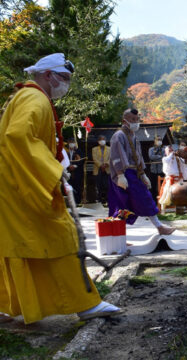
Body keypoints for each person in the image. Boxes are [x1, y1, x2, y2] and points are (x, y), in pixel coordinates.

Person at [0, 53, 122, 324]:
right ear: (48, 75)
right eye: (64, 78)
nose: (66, 85)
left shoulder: (28, 97)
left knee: (18, 244)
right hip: (25, 187)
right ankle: (85, 304)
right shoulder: (34, 98)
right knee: (63, 237)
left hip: (15, 187)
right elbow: (17, 136)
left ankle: (8, 305)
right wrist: (53, 171)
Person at [108, 108, 175, 235]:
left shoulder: (134, 136)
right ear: (124, 121)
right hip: (123, 174)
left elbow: (138, 156)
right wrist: (120, 175)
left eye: (137, 119)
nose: (136, 122)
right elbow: (116, 156)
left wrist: (143, 174)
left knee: (143, 198)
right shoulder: (118, 136)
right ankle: (118, 235)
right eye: (132, 120)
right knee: (121, 204)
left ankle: (159, 227)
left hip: (134, 173)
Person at [158, 145, 187, 212]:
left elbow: (185, 167)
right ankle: (162, 211)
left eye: (171, 150)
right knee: (166, 195)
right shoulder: (165, 159)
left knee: (182, 194)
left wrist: (186, 160)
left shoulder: (179, 159)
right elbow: (167, 160)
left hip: (179, 180)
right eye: (169, 150)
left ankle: (181, 210)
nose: (171, 151)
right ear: (165, 152)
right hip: (170, 180)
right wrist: (172, 154)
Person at [92, 134, 111, 204]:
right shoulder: (94, 149)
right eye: (100, 139)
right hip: (98, 169)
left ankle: (107, 200)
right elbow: (95, 159)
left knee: (107, 185)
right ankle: (99, 199)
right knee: (98, 185)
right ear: (98, 141)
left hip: (107, 169)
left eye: (103, 139)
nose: (102, 141)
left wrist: (106, 164)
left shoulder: (110, 149)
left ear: (105, 141)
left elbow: (111, 158)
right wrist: (101, 165)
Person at [67, 137, 85, 204]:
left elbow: (82, 160)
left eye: (73, 142)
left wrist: (75, 166)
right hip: (68, 172)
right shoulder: (66, 151)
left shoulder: (78, 151)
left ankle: (78, 201)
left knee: (77, 187)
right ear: (68, 143)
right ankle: (70, 202)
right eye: (70, 142)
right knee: (69, 187)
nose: (71, 144)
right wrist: (68, 166)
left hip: (77, 172)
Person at [148, 136, 165, 201]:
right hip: (153, 170)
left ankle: (161, 200)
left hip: (161, 170)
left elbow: (164, 157)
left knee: (162, 186)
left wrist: (156, 157)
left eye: (160, 139)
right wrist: (159, 157)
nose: (159, 141)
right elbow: (151, 157)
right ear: (155, 141)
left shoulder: (163, 149)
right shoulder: (151, 149)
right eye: (158, 139)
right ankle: (153, 201)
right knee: (153, 186)